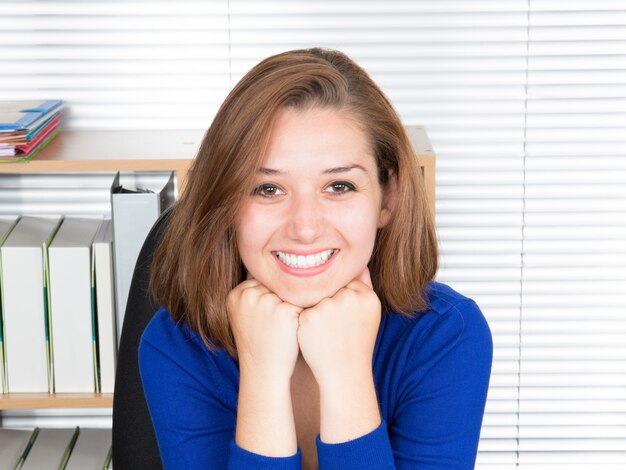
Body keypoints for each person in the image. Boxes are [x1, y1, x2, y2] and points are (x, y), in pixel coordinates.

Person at [139, 48, 493, 470]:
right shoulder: (177, 346)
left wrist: (347, 375)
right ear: (225, 204)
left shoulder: (446, 336)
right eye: (268, 189)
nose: (305, 228)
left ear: (387, 197)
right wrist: (262, 375)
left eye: (339, 186)